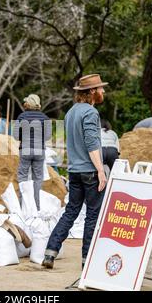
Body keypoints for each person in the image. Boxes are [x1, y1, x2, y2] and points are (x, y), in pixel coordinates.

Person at [42, 74, 108, 269]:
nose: (104, 92)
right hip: (89, 170)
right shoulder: (90, 113)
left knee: (71, 211)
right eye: (101, 89)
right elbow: (91, 143)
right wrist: (100, 171)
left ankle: (50, 253)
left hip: (74, 171)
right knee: (93, 215)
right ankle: (87, 260)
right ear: (92, 92)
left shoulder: (71, 112)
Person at [12, 94, 51, 210]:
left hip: (25, 150)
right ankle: (36, 207)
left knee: (23, 177)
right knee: (38, 179)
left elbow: (15, 135)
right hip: (39, 150)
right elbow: (48, 136)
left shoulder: (21, 116)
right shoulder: (45, 118)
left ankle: (22, 206)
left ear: (27, 104)